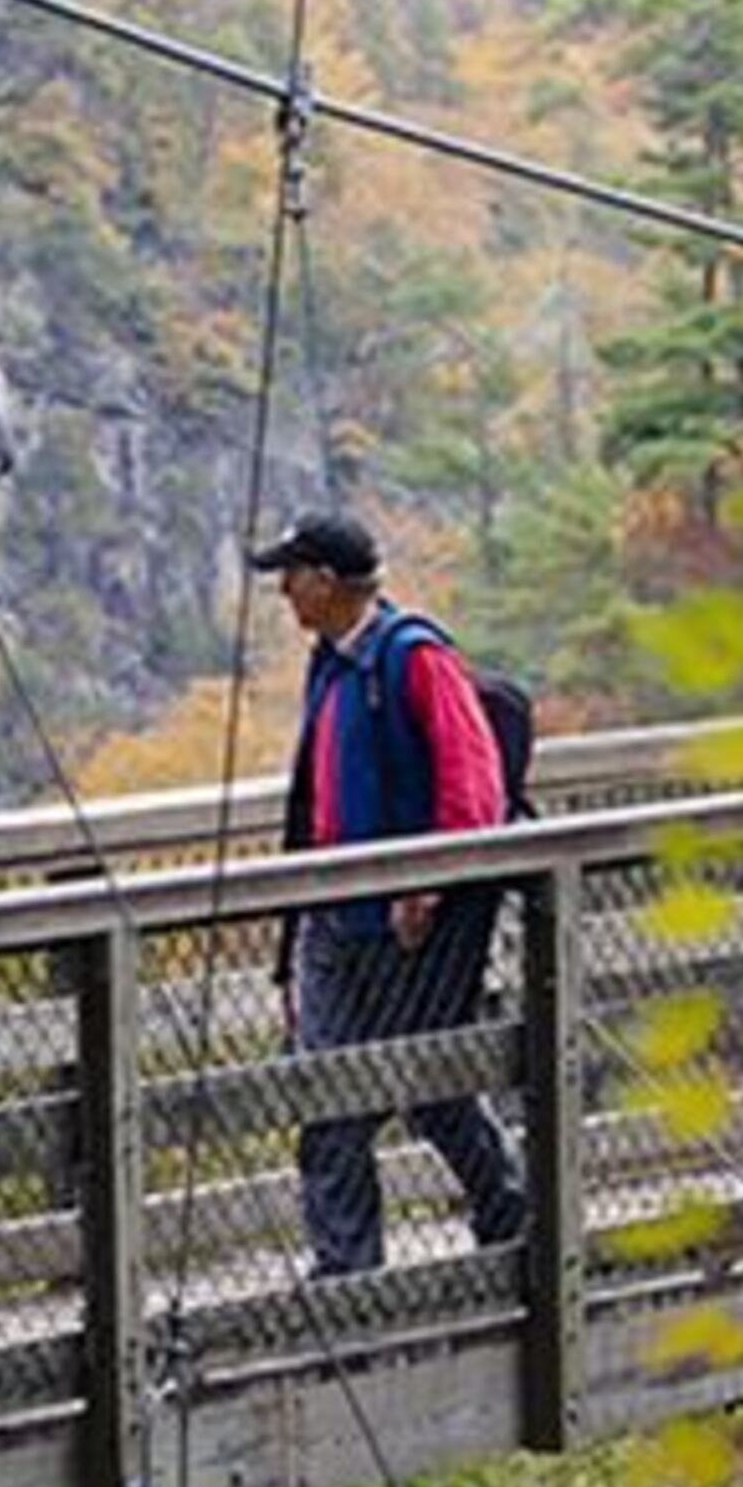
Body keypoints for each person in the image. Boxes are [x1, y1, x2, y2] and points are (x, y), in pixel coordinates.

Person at [250, 510, 531, 1278]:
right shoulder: (333, 662)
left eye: (292, 575)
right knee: (327, 1090)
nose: (283, 591)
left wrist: (427, 887)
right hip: (335, 917)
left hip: (406, 923)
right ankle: (347, 1273)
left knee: (430, 1088)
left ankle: (512, 1219)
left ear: (328, 582)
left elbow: (473, 788)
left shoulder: (414, 658)